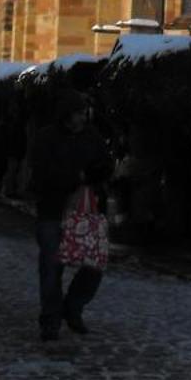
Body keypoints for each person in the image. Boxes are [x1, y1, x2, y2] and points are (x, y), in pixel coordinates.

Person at [30, 90, 111, 340]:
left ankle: (73, 307)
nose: (83, 117)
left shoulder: (92, 137)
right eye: (78, 112)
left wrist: (92, 176)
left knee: (93, 264)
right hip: (53, 210)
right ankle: (51, 318)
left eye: (84, 112)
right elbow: (41, 174)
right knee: (52, 267)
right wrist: (73, 179)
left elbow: (106, 165)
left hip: (86, 213)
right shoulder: (46, 138)